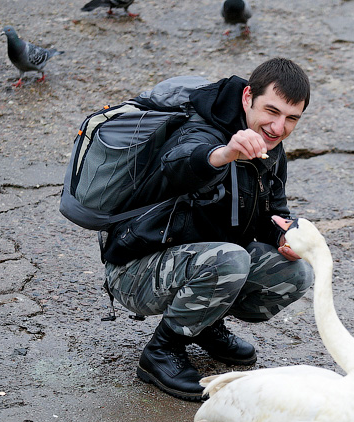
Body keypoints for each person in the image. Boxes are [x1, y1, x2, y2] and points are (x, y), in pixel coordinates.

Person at [101, 57, 314, 401]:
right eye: (271, 112)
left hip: (200, 263)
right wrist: (224, 153)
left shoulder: (270, 147)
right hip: (135, 269)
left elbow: (273, 213)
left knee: (296, 272)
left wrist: (285, 236)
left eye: (291, 118)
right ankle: (160, 353)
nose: (278, 127)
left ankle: (203, 324)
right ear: (248, 97)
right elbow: (180, 162)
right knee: (229, 260)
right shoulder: (199, 126)